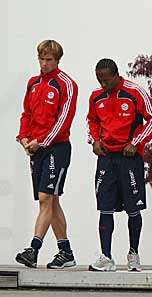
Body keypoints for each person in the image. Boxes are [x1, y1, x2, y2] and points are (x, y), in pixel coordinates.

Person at [86, 58, 152, 272]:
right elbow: (91, 121)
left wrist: (135, 142)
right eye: (100, 80)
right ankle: (106, 257)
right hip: (106, 159)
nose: (103, 85)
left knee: (133, 208)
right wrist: (94, 140)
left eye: (107, 81)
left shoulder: (134, 91)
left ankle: (133, 254)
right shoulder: (96, 96)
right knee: (105, 207)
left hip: (129, 159)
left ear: (117, 76)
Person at [15, 40, 78, 269]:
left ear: (57, 60)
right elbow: (26, 114)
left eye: (48, 59)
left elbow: (64, 121)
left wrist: (40, 142)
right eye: (41, 59)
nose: (44, 64)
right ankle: (66, 253)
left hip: (57, 148)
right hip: (35, 149)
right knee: (51, 200)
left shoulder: (67, 84)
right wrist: (23, 138)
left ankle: (33, 249)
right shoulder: (33, 83)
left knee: (45, 198)